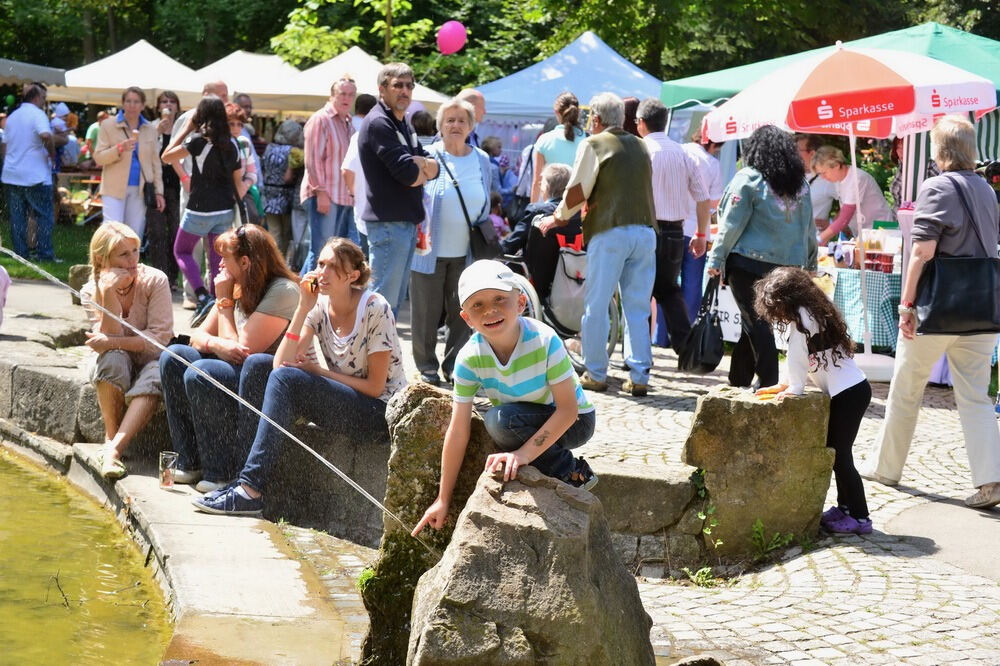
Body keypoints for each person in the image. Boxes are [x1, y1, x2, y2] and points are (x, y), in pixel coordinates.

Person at [192, 238, 406, 516]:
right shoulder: (317, 307)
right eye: (320, 264)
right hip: (347, 399)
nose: (321, 272)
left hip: (379, 413)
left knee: (288, 381)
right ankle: (242, 480)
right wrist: (303, 307)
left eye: (332, 266)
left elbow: (376, 387)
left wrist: (319, 373)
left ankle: (250, 490)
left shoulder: (375, 308)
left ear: (353, 275)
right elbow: (280, 364)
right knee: (258, 365)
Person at [861, 115, 1000, 509]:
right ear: (970, 150)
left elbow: (922, 252)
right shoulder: (988, 191)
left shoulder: (936, 187)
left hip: (937, 308)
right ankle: (992, 481)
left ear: (939, 151)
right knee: (975, 397)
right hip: (981, 308)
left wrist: (906, 304)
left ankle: (886, 468)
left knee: (906, 390)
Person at [411, 260, 597, 536]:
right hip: (523, 418)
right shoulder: (469, 358)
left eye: (500, 299)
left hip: (575, 421)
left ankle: (572, 471)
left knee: (499, 421)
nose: (490, 310)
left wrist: (522, 454)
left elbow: (569, 411)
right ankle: (539, 464)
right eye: (478, 305)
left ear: (520, 302)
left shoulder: (545, 341)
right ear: (467, 318)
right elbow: (458, 429)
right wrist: (443, 499)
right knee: (501, 422)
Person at [159, 224, 299, 494]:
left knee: (202, 371)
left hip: (262, 378)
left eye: (225, 258)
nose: (219, 264)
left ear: (245, 262)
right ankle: (189, 462)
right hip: (233, 365)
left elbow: (242, 353)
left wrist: (223, 303)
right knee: (174, 356)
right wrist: (215, 343)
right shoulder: (236, 284)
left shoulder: (284, 290)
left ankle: (219, 472)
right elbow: (197, 337)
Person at [539, 93, 656, 397]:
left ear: (597, 120)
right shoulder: (641, 144)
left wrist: (557, 217)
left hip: (610, 230)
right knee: (638, 307)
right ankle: (640, 374)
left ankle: (596, 372)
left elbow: (577, 190)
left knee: (597, 305)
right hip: (645, 230)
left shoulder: (593, 144)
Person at [754, 267, 872, 534]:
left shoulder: (801, 321)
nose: (775, 311)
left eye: (776, 305)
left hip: (848, 394)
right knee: (838, 453)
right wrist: (788, 383)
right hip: (853, 390)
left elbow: (797, 356)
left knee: (840, 456)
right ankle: (845, 509)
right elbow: (804, 361)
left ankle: (861, 517)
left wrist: (793, 387)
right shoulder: (816, 310)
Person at [707, 125, 816, 389]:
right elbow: (809, 227)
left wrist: (716, 259)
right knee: (756, 320)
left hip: (746, 262)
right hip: (786, 266)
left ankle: (769, 379)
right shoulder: (800, 185)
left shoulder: (749, 179)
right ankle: (738, 380)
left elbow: (731, 225)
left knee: (756, 320)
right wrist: (811, 263)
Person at [80, 223, 173, 479]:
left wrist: (109, 342)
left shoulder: (155, 280)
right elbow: (110, 340)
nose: (133, 260)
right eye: (124, 254)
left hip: (151, 360)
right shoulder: (90, 290)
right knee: (112, 359)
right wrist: (108, 292)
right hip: (114, 364)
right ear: (102, 258)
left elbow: (159, 341)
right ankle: (111, 436)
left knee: (156, 373)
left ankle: (112, 451)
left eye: (135, 250)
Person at [410, 98, 492, 386]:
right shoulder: (428, 155)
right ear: (440, 125)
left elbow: (487, 199)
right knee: (425, 313)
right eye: (450, 120)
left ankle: (456, 365)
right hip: (428, 250)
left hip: (466, 252)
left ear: (471, 126)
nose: (456, 125)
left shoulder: (481, 159)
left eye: (461, 120)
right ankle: (426, 365)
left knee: (464, 312)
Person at [358, 62, 439, 315]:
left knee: (390, 305)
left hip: (403, 223)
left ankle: (381, 354)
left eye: (409, 86)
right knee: (380, 304)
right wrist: (421, 168)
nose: (404, 91)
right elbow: (408, 174)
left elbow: (436, 169)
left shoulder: (403, 123)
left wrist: (422, 165)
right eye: (397, 85)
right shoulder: (379, 123)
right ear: (382, 89)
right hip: (388, 224)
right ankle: (367, 355)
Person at [162, 95, 247, 327]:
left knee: (181, 251)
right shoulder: (233, 145)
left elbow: (166, 156)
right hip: (224, 211)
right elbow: (238, 182)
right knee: (216, 259)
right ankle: (216, 305)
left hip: (199, 209)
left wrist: (186, 129)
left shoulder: (198, 141)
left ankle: (201, 296)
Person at [635, 98, 711, 357]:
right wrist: (701, 232)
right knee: (669, 290)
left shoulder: (640, 151)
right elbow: (703, 197)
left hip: (645, 229)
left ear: (642, 123)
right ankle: (686, 350)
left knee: (640, 292)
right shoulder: (684, 153)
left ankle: (640, 355)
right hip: (676, 232)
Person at [301, 76, 358, 273]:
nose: (347, 98)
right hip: (324, 194)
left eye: (351, 94)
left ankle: (305, 295)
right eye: (342, 93)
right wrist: (320, 192)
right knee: (320, 253)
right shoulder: (321, 119)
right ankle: (309, 298)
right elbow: (312, 160)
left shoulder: (348, 123)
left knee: (332, 254)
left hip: (343, 196)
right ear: (332, 95)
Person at [502, 163, 580, 304]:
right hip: (576, 276)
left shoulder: (537, 210)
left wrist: (494, 250)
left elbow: (512, 243)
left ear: (547, 187)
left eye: (542, 183)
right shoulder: (579, 213)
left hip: (540, 281)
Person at [93, 87, 165, 239]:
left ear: (143, 105)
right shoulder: (108, 125)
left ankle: (130, 264)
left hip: (140, 189)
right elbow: (98, 157)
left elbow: (155, 164)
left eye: (136, 102)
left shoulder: (150, 129)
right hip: (113, 187)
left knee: (133, 234)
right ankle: (107, 263)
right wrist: (119, 148)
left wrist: (159, 192)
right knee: (112, 232)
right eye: (128, 101)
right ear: (123, 104)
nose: (132, 105)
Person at [1, 83, 58, 261]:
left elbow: (4, 145)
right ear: (36, 98)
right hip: (35, 175)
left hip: (12, 174)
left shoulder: (13, 116)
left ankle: (20, 254)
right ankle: (45, 254)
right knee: (43, 216)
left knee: (18, 218)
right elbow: (46, 135)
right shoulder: (38, 114)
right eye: (42, 98)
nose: (43, 102)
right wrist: (52, 153)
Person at [681, 129, 724, 322]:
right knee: (692, 283)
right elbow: (714, 202)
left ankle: (660, 335)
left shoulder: (680, 151)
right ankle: (687, 332)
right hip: (699, 228)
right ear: (715, 144)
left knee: (667, 284)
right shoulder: (713, 164)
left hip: (672, 224)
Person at [812, 145, 893, 244]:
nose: (823, 177)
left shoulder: (857, 178)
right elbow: (844, 210)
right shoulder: (839, 180)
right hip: (866, 232)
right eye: (820, 174)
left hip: (880, 230)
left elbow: (845, 217)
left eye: (824, 173)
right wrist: (831, 224)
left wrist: (820, 239)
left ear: (836, 165)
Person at [146, 91, 182, 288]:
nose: (168, 105)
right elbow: (146, 153)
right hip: (156, 186)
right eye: (164, 102)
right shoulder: (151, 128)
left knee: (176, 232)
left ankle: (173, 277)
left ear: (177, 106)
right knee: (157, 232)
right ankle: (159, 276)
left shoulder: (183, 128)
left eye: (172, 102)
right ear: (158, 106)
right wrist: (157, 132)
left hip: (177, 187)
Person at [341, 93, 378, 257]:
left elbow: (347, 169)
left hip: (347, 191)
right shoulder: (372, 128)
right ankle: (313, 283)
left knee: (332, 243)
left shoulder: (348, 124)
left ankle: (312, 283)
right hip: (361, 197)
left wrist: (351, 190)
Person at [261, 119, 304, 260]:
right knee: (286, 233)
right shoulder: (294, 152)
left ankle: (270, 260)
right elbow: (289, 178)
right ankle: (281, 261)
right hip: (286, 195)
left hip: (268, 194)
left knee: (273, 232)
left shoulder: (269, 148)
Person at [530, 93, 585, 203]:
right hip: (578, 205)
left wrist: (532, 208)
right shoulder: (588, 139)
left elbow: (537, 181)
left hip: (551, 205)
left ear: (556, 112)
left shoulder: (544, 140)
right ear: (577, 111)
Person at [795, 134, 838, 233]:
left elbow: (851, 204)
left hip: (812, 241)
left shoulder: (828, 178)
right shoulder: (792, 174)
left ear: (812, 153)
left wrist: (832, 223)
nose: (794, 153)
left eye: (798, 150)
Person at [226, 102, 261, 224]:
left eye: (240, 124)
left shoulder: (244, 143)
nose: (236, 128)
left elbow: (252, 174)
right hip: (220, 200)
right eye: (231, 124)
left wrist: (243, 187)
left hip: (242, 198)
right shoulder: (216, 145)